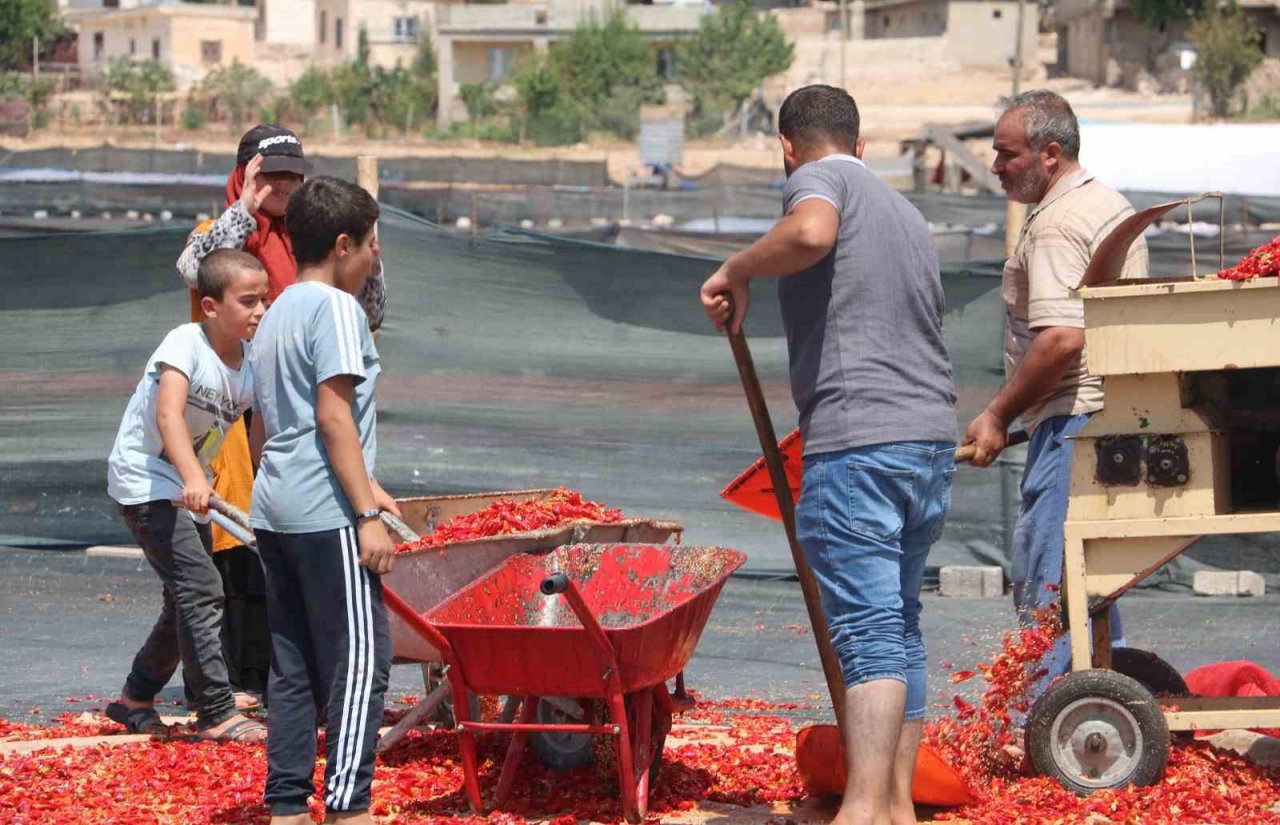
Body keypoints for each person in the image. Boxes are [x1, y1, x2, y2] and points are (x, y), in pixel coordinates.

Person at [700, 85, 957, 825]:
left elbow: (810, 233)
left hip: (861, 442)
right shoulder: (906, 213)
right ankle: (898, 806)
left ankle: (864, 810)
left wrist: (737, 268)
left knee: (870, 631)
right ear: (863, 141)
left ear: (787, 146)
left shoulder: (820, 180)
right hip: (926, 441)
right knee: (900, 625)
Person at [175, 124, 388, 706]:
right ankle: (233, 681)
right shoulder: (217, 236)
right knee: (228, 550)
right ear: (243, 174)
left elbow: (369, 312)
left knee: (268, 558)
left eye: (294, 177)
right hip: (233, 407)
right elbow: (196, 269)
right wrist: (244, 210)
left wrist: (370, 257)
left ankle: (263, 681)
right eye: (271, 176)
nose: (284, 188)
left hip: (293, 405)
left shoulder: (311, 245)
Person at [962, 90, 1148, 688]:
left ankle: (1045, 726)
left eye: (1005, 154)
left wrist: (996, 414)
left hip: (1073, 423)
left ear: (1049, 153)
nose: (995, 167)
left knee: (1050, 583)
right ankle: (1099, 709)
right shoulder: (1106, 204)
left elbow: (1063, 339)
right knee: (1086, 585)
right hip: (1104, 417)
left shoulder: (1059, 224)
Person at [249, 176, 400, 825]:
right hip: (327, 512)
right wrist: (365, 513)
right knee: (362, 660)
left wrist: (368, 486)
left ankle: (285, 804)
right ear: (343, 245)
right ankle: (347, 806)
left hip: (277, 509)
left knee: (292, 665)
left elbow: (265, 426)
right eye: (372, 245)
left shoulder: (276, 309)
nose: (375, 258)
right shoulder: (339, 309)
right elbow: (334, 416)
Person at [105, 249, 271, 744]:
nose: (259, 310)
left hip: (187, 486)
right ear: (210, 306)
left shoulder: (252, 363)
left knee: (185, 598)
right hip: (146, 482)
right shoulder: (185, 343)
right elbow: (169, 416)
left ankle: (136, 697)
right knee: (202, 589)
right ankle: (216, 711)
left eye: (263, 299)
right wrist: (193, 478)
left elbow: (260, 440)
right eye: (248, 301)